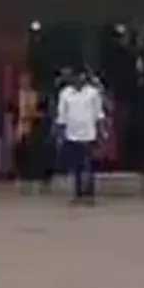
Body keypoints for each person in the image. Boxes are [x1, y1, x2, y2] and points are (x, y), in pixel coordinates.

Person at [54, 66, 106, 206]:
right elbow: (62, 116)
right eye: (75, 77)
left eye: (81, 76)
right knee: (76, 166)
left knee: (89, 165)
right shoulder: (65, 94)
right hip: (72, 134)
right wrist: (60, 135)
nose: (78, 79)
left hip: (89, 134)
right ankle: (78, 194)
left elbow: (99, 114)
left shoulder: (93, 93)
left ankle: (89, 195)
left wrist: (101, 133)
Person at [15, 71, 46, 191]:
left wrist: (35, 115)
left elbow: (41, 112)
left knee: (31, 153)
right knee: (20, 152)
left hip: (33, 126)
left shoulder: (36, 95)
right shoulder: (17, 95)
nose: (24, 83)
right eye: (22, 81)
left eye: (26, 81)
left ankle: (33, 177)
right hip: (20, 127)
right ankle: (22, 176)